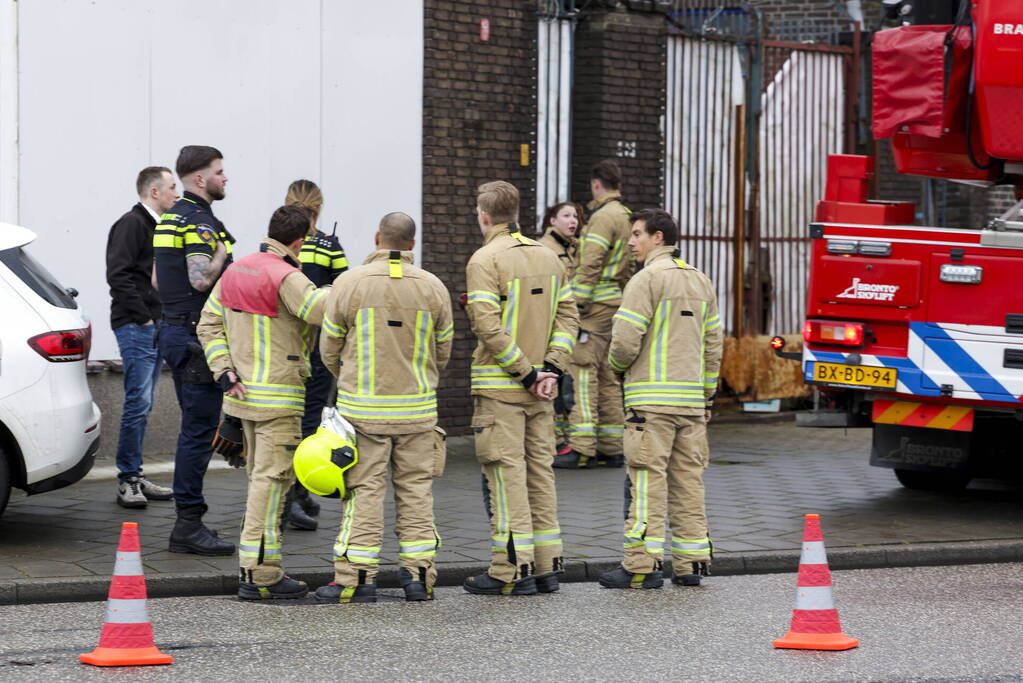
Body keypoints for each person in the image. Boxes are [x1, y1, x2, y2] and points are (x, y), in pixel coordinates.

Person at [314, 212, 453, 604]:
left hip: (363, 412)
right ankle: (419, 578)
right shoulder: (434, 288)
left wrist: (351, 379)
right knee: (416, 493)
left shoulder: (349, 283)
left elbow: (329, 349)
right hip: (419, 412)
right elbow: (443, 351)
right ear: (412, 244)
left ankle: (357, 579)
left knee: (364, 492)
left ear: (377, 238)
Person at [197, 204, 328, 600]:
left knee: (259, 481)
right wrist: (352, 284)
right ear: (299, 241)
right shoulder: (287, 276)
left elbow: (208, 323)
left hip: (240, 400)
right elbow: (320, 311)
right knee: (271, 486)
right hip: (278, 402)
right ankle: (260, 574)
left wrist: (224, 370)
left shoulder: (237, 269)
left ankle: (257, 569)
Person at [463, 181, 579, 597]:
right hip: (543, 391)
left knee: (506, 475)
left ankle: (511, 568)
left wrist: (526, 373)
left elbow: (487, 326)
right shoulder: (548, 257)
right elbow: (568, 319)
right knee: (540, 475)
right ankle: (547, 566)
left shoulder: (484, 260)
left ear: (484, 215)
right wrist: (550, 369)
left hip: (503, 390)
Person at [597, 209, 722, 590]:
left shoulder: (645, 279)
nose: (631, 241)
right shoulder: (702, 281)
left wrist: (617, 369)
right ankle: (691, 565)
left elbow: (624, 341)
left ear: (658, 238)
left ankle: (641, 566)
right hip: (691, 405)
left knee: (648, 483)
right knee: (689, 482)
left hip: (650, 403)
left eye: (637, 234)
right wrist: (707, 395)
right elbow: (714, 346)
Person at [153, 145, 236, 556]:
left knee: (195, 430)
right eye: (219, 172)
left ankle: (188, 521)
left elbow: (156, 279)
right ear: (200, 179)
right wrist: (223, 250)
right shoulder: (200, 223)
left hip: (173, 331)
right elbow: (201, 278)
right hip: (194, 338)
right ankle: (188, 524)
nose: (225, 178)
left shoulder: (169, 218)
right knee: (198, 434)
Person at [106, 166, 179, 508]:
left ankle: (135, 474)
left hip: (152, 326)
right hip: (137, 327)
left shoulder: (160, 227)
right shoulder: (132, 224)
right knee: (138, 402)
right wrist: (146, 319)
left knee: (144, 403)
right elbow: (117, 276)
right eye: (172, 187)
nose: (176, 193)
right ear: (154, 192)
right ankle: (127, 480)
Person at [280, 179, 350, 531]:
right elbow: (345, 294)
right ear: (320, 207)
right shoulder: (328, 245)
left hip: (280, 346)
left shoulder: (277, 241)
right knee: (309, 422)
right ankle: (297, 494)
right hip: (317, 348)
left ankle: (294, 494)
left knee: (284, 424)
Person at [556, 160, 634, 470]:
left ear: (596, 184)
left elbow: (589, 264)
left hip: (593, 311)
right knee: (609, 377)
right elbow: (628, 267)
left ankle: (582, 446)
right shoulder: (628, 216)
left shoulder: (603, 218)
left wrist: (578, 303)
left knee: (582, 374)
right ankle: (612, 447)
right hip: (615, 306)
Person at [538, 201, 581, 452]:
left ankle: (560, 440)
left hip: (566, 324)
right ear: (552, 221)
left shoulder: (570, 248)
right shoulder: (546, 250)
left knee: (564, 385)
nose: (573, 220)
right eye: (566, 215)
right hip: (553, 325)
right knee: (553, 381)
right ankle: (551, 442)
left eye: (575, 215)